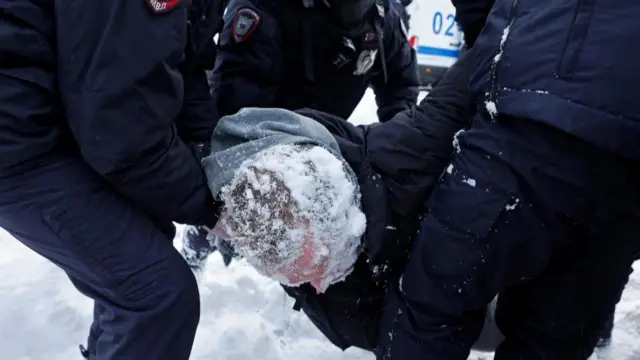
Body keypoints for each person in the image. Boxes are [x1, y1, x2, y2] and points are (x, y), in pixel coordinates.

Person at [375, 0, 640, 359]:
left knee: (430, 312)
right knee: (553, 341)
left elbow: (477, 10)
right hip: (626, 178)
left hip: (525, 127)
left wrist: (501, 53)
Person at [198, 51, 507, 354]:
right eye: (299, 280)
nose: (317, 288)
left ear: (341, 210)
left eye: (319, 266)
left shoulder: (411, 151)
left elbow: (497, 48)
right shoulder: (280, 230)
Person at [0, 0, 225, 359]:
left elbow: (183, 65)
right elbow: (121, 130)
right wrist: (211, 209)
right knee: (157, 295)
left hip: (58, 121)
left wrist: (217, 162)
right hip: (18, 145)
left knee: (145, 245)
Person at [182, 0, 420, 271]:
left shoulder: (379, 14)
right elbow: (233, 113)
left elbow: (400, 89)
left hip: (324, 136)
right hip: (264, 133)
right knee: (223, 212)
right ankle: (195, 257)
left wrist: (397, 159)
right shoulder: (265, 9)